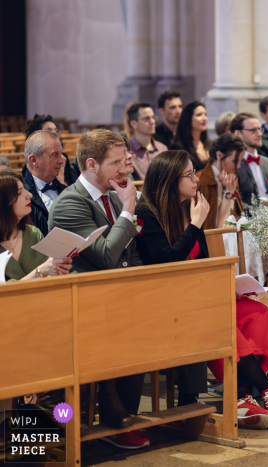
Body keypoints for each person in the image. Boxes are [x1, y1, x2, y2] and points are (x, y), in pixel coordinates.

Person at [133, 151, 268, 429]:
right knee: (219, 320)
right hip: (169, 302)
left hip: (200, 295)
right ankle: (265, 391)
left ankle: (241, 395)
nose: (196, 179)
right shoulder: (146, 213)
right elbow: (167, 262)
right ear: (169, 180)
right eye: (189, 174)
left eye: (195, 173)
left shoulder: (187, 208)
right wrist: (195, 224)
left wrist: (230, 287)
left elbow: (202, 262)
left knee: (257, 311)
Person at [48, 129, 149, 449]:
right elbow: (106, 256)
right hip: (85, 302)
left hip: (120, 296)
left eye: (126, 160)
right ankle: (109, 412)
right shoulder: (69, 204)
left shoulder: (112, 195)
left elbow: (130, 256)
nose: (126, 169)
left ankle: (125, 413)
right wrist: (128, 209)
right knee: (124, 333)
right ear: (92, 165)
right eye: (116, 162)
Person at [0, 171, 72, 281]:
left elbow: (49, 276)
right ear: (3, 203)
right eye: (19, 193)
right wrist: (41, 271)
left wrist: (58, 268)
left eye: (24, 188)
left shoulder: (33, 233)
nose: (29, 195)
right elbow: (6, 293)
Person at [197, 134, 245, 230]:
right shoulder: (203, 180)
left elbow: (235, 214)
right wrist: (229, 192)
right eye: (235, 161)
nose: (238, 166)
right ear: (219, 155)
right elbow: (212, 227)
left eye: (240, 161)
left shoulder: (232, 176)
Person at [22, 130, 66, 236]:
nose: (61, 160)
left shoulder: (65, 191)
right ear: (34, 160)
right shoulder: (20, 195)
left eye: (61, 154)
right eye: (55, 155)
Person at [231, 113, 268, 206]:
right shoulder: (233, 166)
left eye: (260, 129)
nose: (259, 134)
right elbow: (237, 202)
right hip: (250, 218)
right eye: (253, 130)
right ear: (238, 133)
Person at [25, 114, 74, 185]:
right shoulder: (32, 162)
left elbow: (70, 184)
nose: (54, 134)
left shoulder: (63, 158)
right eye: (49, 130)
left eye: (55, 130)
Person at [127, 103, 167, 180]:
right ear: (134, 123)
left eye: (153, 117)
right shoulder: (126, 151)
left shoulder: (162, 148)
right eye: (146, 119)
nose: (152, 122)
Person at [173, 101, 210, 172]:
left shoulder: (209, 144)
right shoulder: (178, 148)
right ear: (188, 119)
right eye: (199, 115)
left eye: (205, 114)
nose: (204, 118)